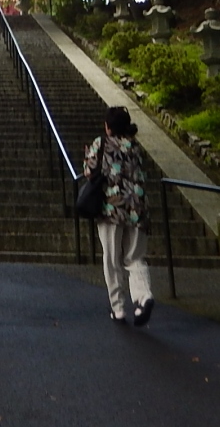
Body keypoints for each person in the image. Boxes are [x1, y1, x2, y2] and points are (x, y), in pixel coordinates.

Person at [84, 105, 154, 326]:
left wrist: (87, 157)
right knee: (135, 258)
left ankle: (118, 308)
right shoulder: (135, 146)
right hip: (137, 207)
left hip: (111, 208)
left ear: (108, 126)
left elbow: (90, 172)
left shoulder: (101, 143)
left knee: (112, 259)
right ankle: (143, 298)